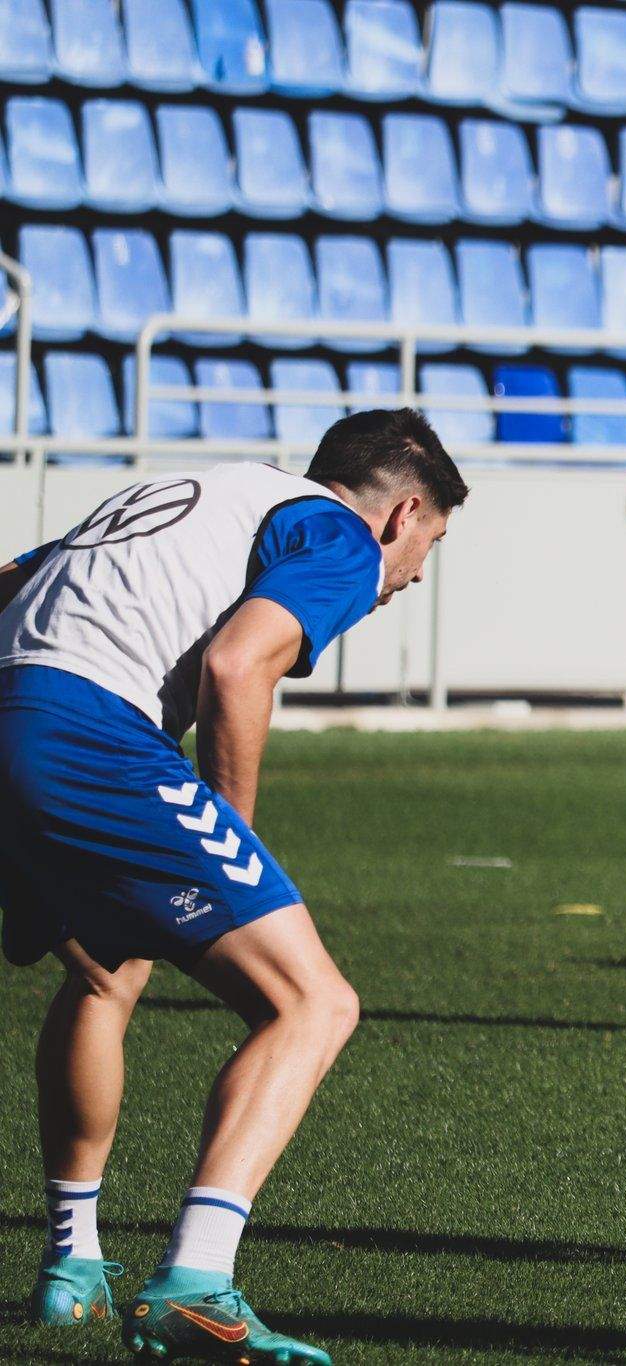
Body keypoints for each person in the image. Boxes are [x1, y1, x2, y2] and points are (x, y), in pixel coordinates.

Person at [0, 411, 466, 1363]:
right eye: (430, 546)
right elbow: (235, 662)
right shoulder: (334, 533)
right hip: (89, 735)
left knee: (106, 973)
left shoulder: (200, 492)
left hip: (14, 706)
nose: (415, 575)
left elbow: (14, 579)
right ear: (402, 513)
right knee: (314, 1003)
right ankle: (196, 1282)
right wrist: (232, 831)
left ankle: (71, 1266)